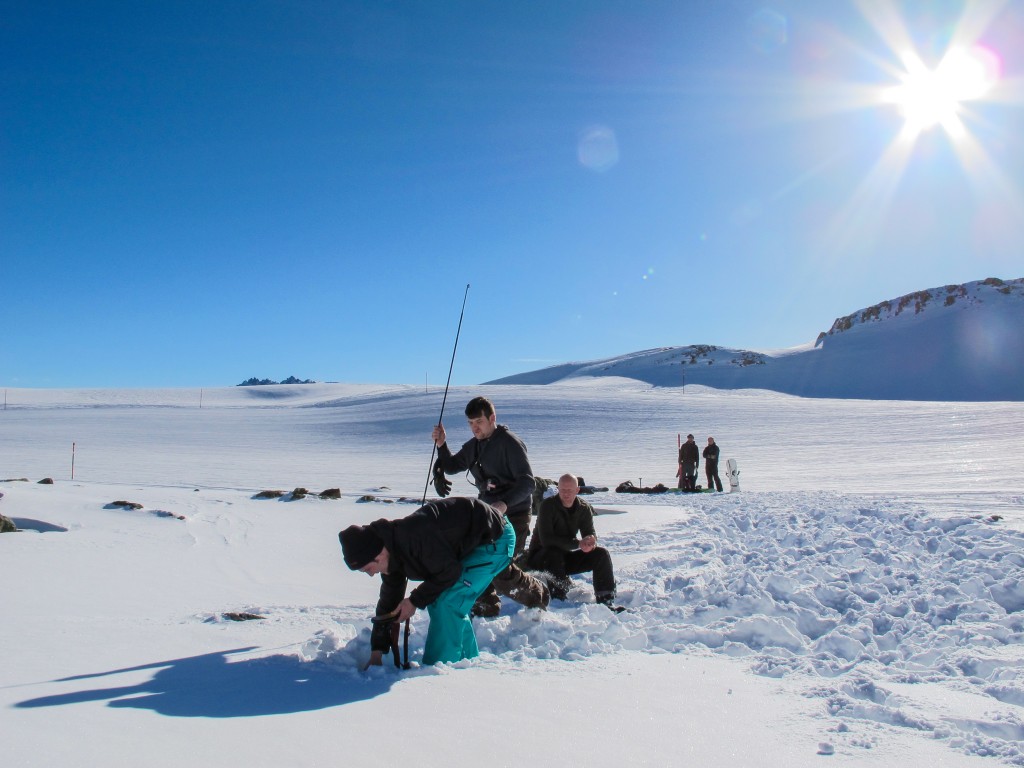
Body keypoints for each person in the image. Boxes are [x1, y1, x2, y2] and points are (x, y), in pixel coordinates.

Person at [339, 496, 514, 667]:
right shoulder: (392, 554)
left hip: (496, 539)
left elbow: (449, 572)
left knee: (447, 601)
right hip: (472, 542)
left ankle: (439, 670)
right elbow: (389, 603)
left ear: (378, 555)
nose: (371, 574)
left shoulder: (415, 538)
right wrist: (377, 650)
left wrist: (414, 601)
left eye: (368, 569)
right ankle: (465, 661)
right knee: (443, 599)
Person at [432, 396, 548, 616]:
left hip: (515, 515)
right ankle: (486, 607)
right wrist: (442, 444)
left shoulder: (509, 443)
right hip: (486, 516)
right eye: (470, 423)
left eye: (479, 422)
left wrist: (504, 503)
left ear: (492, 418)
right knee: (474, 560)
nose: (474, 428)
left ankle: (537, 595)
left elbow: (528, 482)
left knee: (499, 568)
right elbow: (452, 466)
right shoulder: (474, 446)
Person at [526, 473, 619, 609]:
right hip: (541, 557)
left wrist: (590, 541)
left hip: (564, 558)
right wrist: (578, 544)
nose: (566, 493)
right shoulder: (547, 506)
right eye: (562, 490)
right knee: (553, 553)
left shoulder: (583, 508)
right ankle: (559, 600)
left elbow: (589, 532)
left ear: (577, 490)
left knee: (601, 554)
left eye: (569, 490)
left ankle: (606, 600)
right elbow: (547, 540)